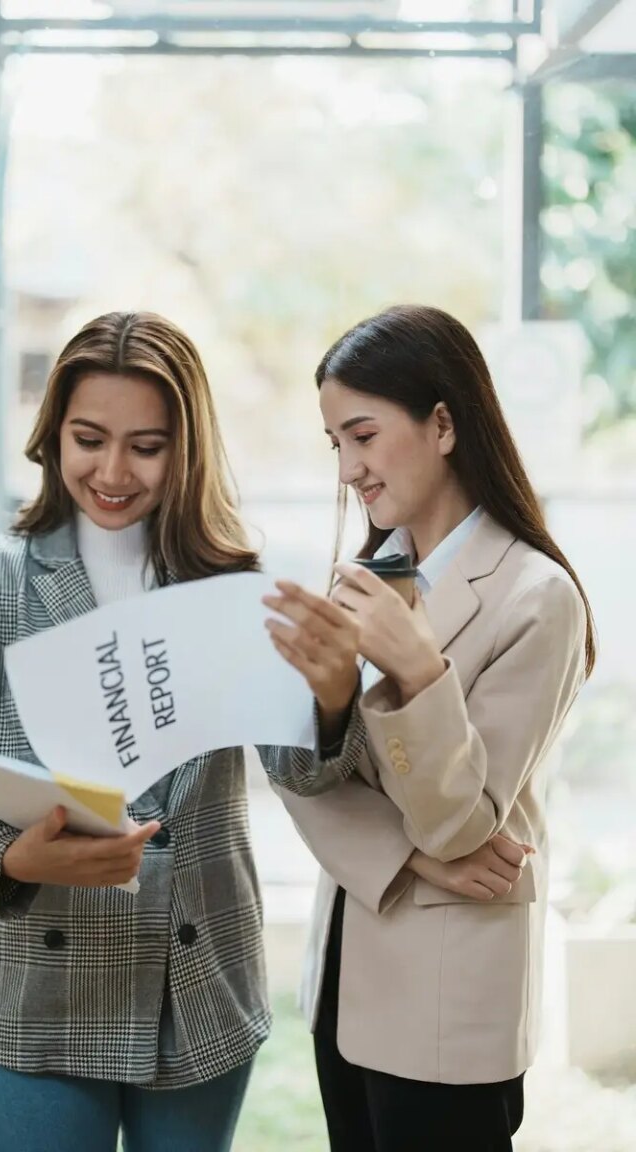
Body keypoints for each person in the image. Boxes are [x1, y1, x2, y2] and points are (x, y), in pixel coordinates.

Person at [0, 310, 368, 1152]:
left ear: (184, 450)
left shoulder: (232, 585)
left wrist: (335, 697)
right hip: (44, 973)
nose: (113, 471)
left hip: (198, 970)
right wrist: (12, 859)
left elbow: (299, 772)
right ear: (52, 437)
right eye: (89, 438)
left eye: (146, 447)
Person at [264, 304, 595, 1152]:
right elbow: (296, 773)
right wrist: (405, 856)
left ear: (443, 423)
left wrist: (418, 670)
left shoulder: (536, 597)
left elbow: (463, 820)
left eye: (363, 436)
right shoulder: (359, 585)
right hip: (345, 984)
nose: (348, 469)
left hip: (450, 1005)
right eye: (335, 442)